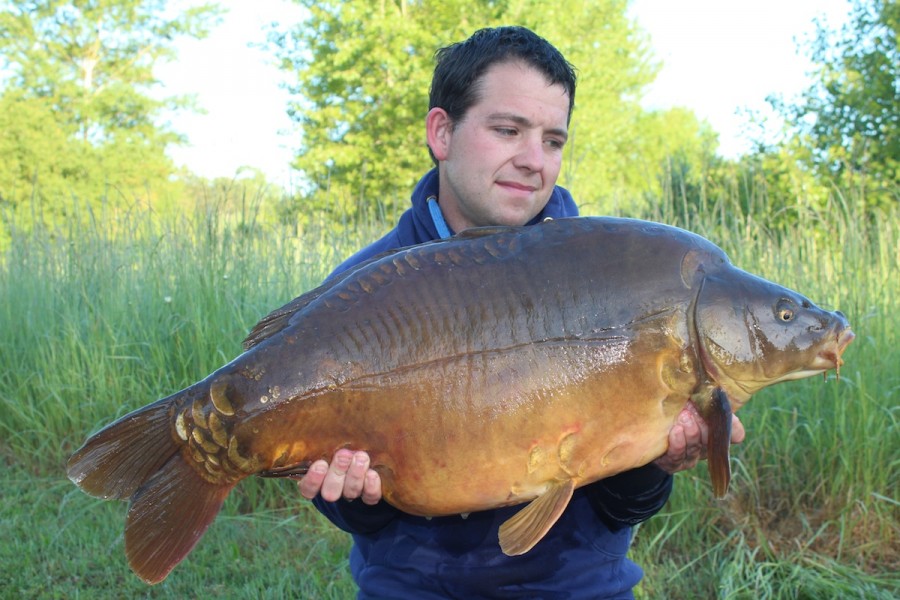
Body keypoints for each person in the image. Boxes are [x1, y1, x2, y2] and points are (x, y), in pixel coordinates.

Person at [298, 26, 745, 599]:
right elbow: (365, 525)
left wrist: (656, 459)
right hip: (413, 588)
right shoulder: (362, 293)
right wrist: (355, 498)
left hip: (579, 587)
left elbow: (622, 508)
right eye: (508, 130)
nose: (534, 161)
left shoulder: (613, 277)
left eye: (553, 141)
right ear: (442, 132)